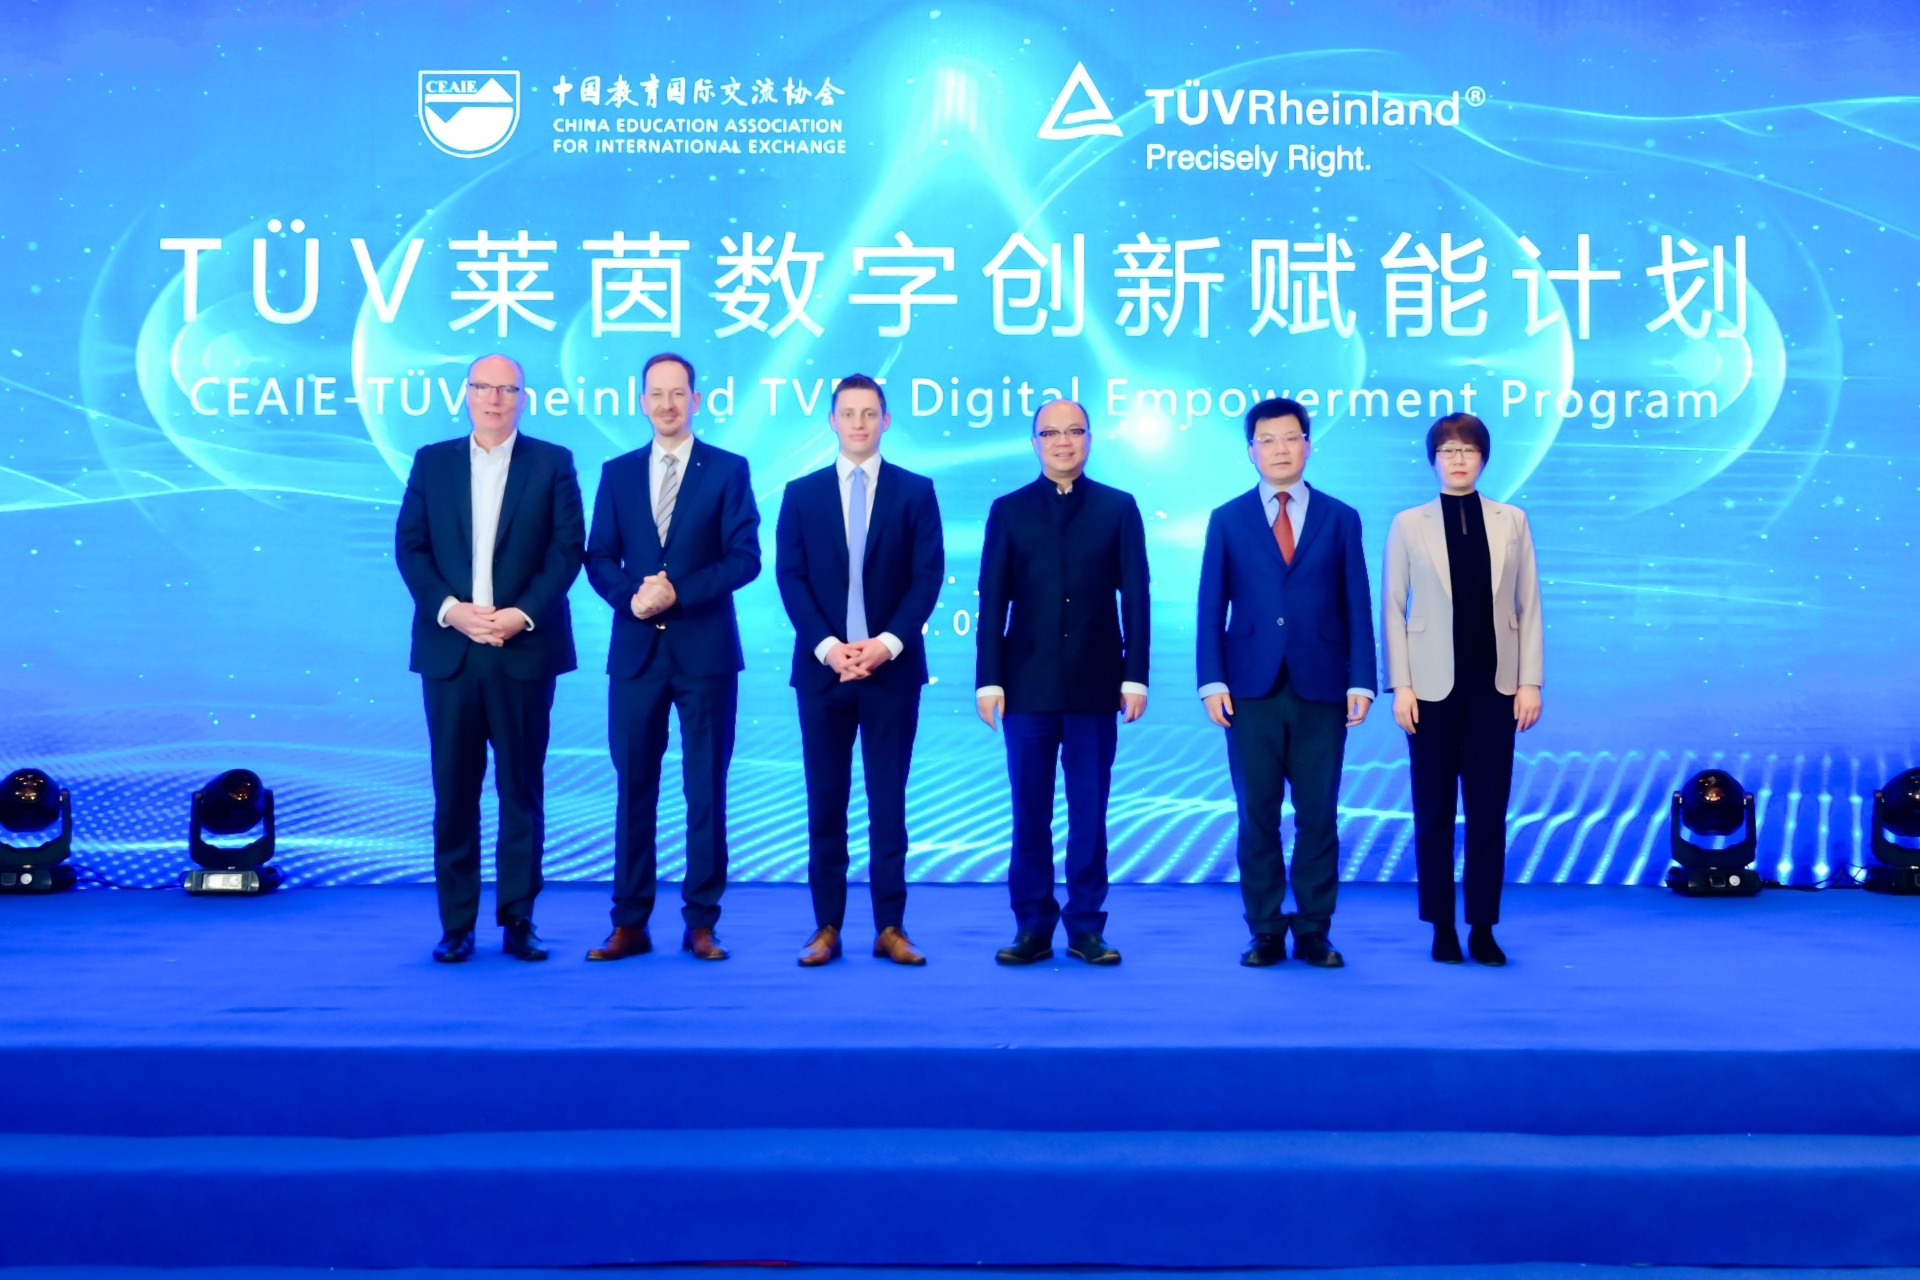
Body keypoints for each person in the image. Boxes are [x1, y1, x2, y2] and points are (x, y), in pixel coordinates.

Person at [394, 353, 584, 964]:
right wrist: (451, 610)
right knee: (454, 793)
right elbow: (411, 548)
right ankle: (456, 924)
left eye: (507, 389)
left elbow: (567, 550)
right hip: (451, 651)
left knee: (520, 791)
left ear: (523, 398)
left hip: (522, 649)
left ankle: (518, 919)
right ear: (467, 394)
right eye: (484, 387)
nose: (495, 399)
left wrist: (520, 613)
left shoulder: (552, 462)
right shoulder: (433, 462)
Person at [583, 353, 760, 962]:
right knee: (634, 788)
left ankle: (701, 922)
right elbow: (598, 557)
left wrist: (677, 592)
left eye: (677, 393)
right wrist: (631, 596)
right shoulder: (617, 473)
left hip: (705, 654)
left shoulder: (728, 470)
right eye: (656, 394)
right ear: (642, 402)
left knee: (705, 790)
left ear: (695, 400)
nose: (666, 404)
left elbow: (745, 557)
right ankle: (629, 922)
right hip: (636, 656)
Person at [1197, 397, 1376, 969]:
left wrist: (1362, 680)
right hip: (1248, 689)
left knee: (1319, 814)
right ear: (1251, 451)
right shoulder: (1227, 518)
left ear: (1308, 445)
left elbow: (1357, 603)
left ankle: (1315, 929)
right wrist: (1211, 681)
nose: (1280, 449)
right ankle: (1266, 929)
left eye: (1291, 438)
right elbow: (1211, 605)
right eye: (1267, 440)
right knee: (1257, 814)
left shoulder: (1340, 517)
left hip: (1323, 686)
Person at [775, 374, 944, 967]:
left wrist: (886, 644)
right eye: (848, 413)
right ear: (832, 421)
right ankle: (826, 926)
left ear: (886, 420)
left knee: (887, 803)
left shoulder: (915, 492)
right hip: (823, 674)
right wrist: (828, 647)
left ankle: (890, 927)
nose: (858, 423)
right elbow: (790, 577)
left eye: (869, 413)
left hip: (891, 673)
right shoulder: (801, 494)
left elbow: (927, 577)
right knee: (826, 802)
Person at [976, 399, 1150, 966]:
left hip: (1097, 686)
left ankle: (1086, 928)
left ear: (1089, 439)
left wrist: (1136, 676)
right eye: (1050, 433)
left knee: (1089, 814)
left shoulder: (1118, 508)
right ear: (1035, 443)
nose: (1063, 442)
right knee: (1029, 812)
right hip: (1025, 687)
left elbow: (1137, 598)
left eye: (1074, 431)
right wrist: (988, 681)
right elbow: (992, 602)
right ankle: (1031, 926)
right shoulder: (1008, 510)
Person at [1382, 413, 1543, 967]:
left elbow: (1529, 605)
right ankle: (1441, 926)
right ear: (1433, 460)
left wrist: (1529, 682)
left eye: (1468, 450)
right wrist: (1400, 686)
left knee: (1488, 812)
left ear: (1483, 458)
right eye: (1447, 450)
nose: (1457, 459)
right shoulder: (1409, 523)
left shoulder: (1512, 520)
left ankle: (1483, 927)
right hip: (1429, 692)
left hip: (1496, 689)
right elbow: (1393, 609)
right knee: (1432, 811)